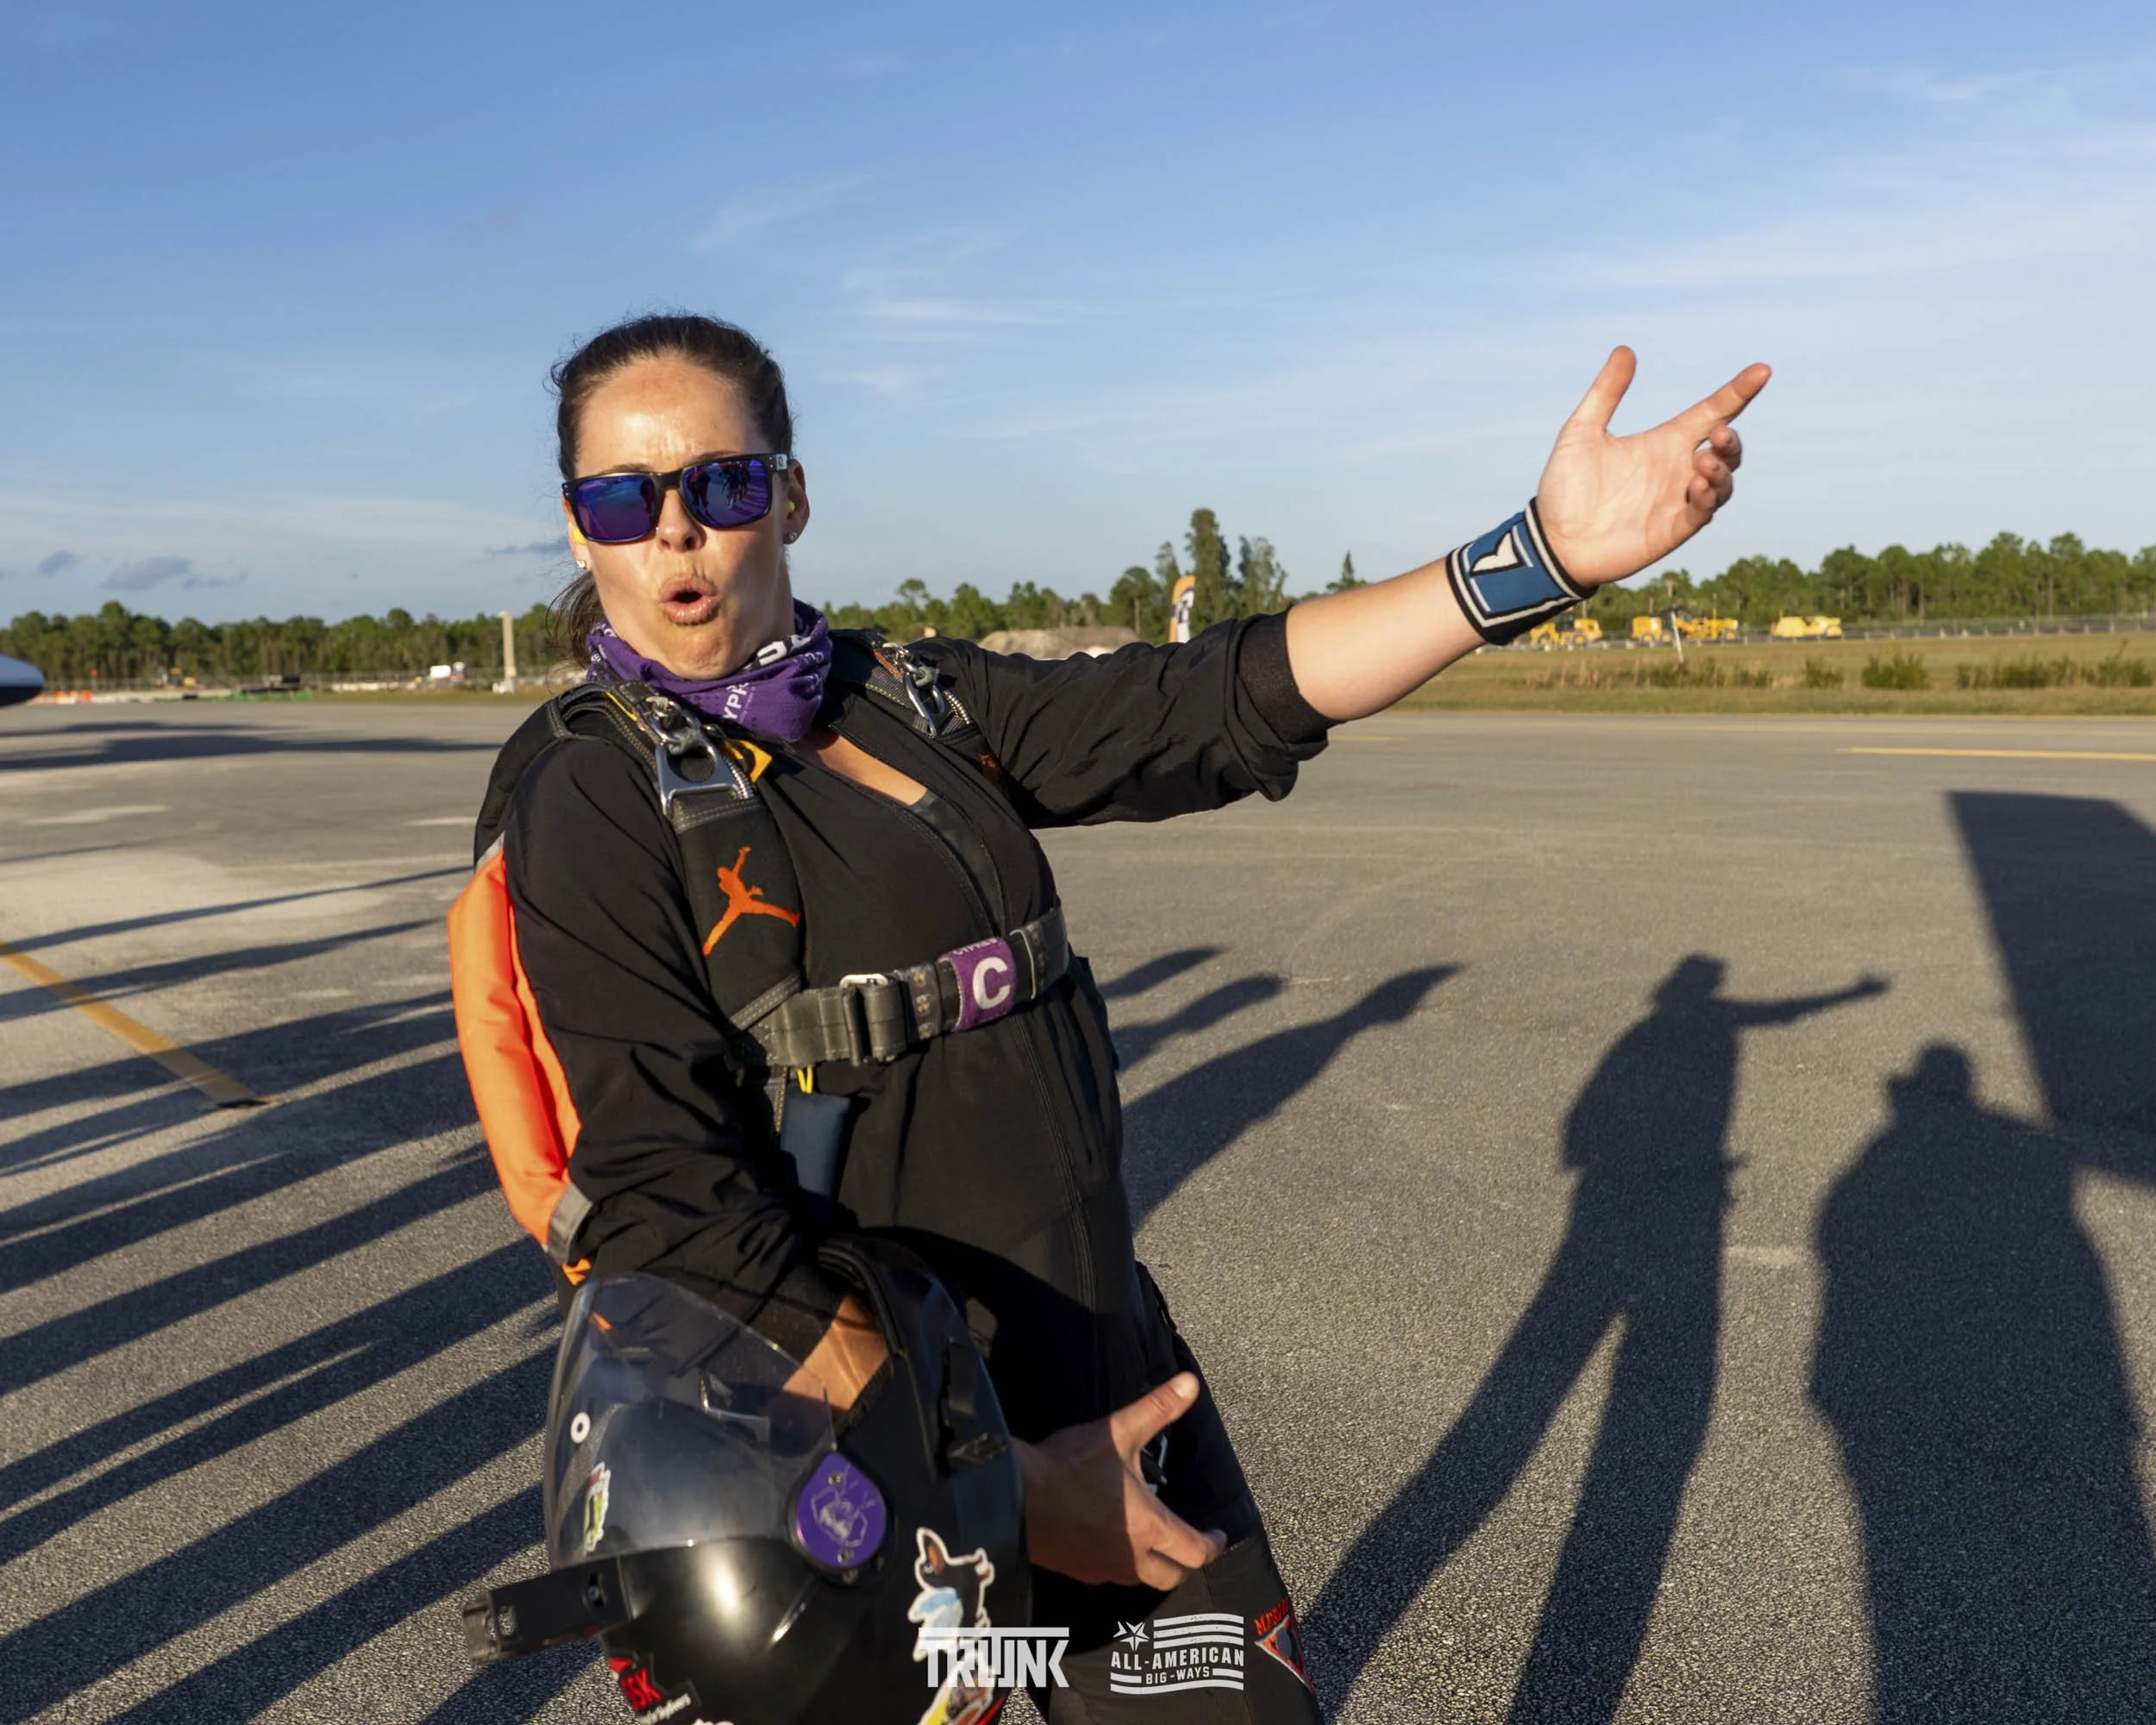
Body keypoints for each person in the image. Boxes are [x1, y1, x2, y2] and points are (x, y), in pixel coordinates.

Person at [475, 311, 1765, 1721]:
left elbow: (1204, 702)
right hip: (859, 1465)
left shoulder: (909, 696)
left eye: (719, 485)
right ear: (578, 523)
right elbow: (668, 1198)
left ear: (787, 492)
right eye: (623, 497)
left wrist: (1538, 558)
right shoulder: (592, 796)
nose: (675, 534)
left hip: (1103, 1370)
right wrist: (992, 1488)